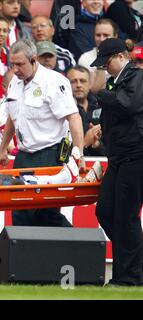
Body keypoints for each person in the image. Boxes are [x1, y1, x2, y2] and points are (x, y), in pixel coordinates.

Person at [0, 40, 85, 227]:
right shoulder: (15, 81)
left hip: (49, 154)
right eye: (12, 64)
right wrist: (4, 146)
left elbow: (74, 117)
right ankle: (22, 254)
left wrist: (79, 154)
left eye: (20, 64)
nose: (16, 69)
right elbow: (13, 117)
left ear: (33, 60)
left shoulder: (53, 82)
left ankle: (79, 248)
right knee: (19, 211)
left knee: (45, 212)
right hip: (23, 156)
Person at [91, 38, 143, 286]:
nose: (104, 68)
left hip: (136, 155)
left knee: (126, 216)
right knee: (106, 211)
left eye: (106, 62)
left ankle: (130, 276)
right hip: (120, 156)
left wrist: (102, 93)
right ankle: (133, 265)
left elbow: (128, 104)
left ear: (121, 57)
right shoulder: (119, 81)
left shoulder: (137, 76)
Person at [66, 65, 105, 156]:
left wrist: (97, 145)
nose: (79, 85)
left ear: (90, 84)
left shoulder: (102, 105)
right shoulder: (63, 110)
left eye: (83, 81)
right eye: (73, 81)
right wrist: (85, 142)